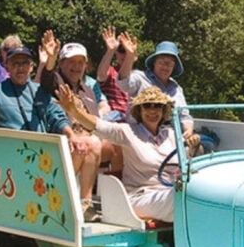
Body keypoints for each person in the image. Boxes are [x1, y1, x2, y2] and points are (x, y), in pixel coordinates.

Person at [0, 46, 99, 222]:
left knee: (91, 144)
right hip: (14, 159)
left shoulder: (38, 91)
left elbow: (56, 117)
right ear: (7, 67)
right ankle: (57, 203)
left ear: (32, 67)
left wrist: (71, 135)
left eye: (25, 63)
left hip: (43, 155)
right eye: (15, 63)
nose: (21, 68)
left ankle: (84, 204)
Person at [57, 84, 201, 223]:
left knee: (198, 192)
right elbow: (98, 125)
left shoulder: (171, 135)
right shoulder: (127, 132)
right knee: (184, 197)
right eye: (147, 106)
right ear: (139, 110)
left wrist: (194, 146)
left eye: (157, 106)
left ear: (163, 111)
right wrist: (75, 111)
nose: (152, 110)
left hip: (169, 192)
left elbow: (187, 160)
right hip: (140, 197)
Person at [38, 31, 108, 204]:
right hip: (62, 140)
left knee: (121, 146)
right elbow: (46, 75)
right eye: (71, 62)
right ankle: (84, 201)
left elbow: (94, 120)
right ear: (61, 64)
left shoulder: (88, 90)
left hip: (88, 139)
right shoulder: (55, 81)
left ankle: (119, 200)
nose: (76, 66)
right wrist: (50, 58)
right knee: (92, 144)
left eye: (80, 62)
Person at [117, 36, 193, 135]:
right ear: (154, 63)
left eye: (169, 64)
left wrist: (189, 130)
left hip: (170, 135)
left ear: (174, 67)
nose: (165, 67)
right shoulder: (140, 78)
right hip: (139, 133)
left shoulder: (176, 88)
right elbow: (123, 84)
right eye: (161, 62)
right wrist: (130, 57)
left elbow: (184, 115)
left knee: (200, 147)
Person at [96, 26, 130, 115]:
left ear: (136, 56)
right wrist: (111, 50)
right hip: (114, 120)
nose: (125, 54)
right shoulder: (111, 72)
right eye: (121, 50)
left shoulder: (140, 78)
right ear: (116, 53)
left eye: (128, 51)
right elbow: (101, 75)